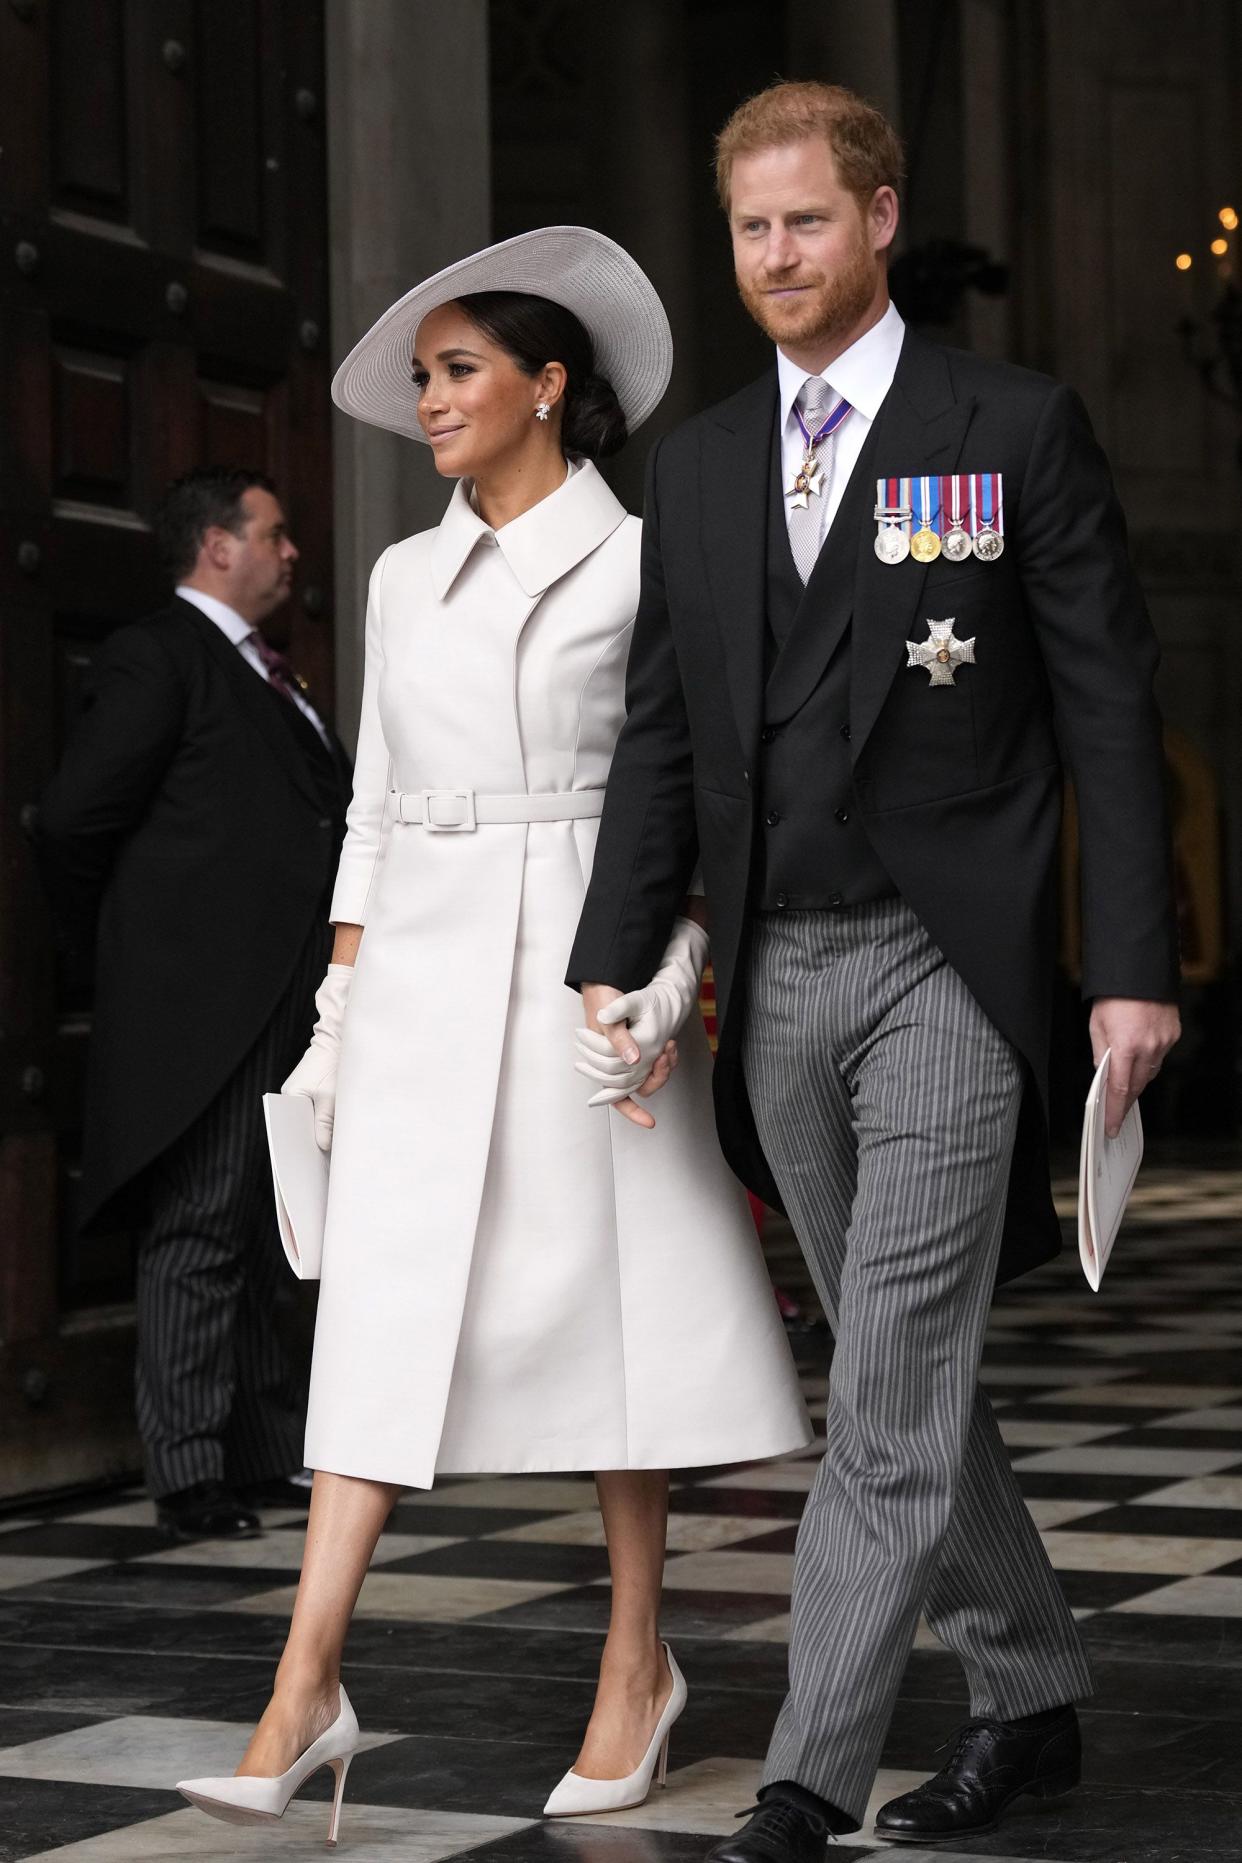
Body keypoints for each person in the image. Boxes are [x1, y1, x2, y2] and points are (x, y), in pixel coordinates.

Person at [568, 83, 1180, 1856]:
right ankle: (1033, 1683)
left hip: (948, 975)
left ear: (881, 218)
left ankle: (802, 1773)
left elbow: (1111, 715)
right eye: (751, 228)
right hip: (772, 987)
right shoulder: (689, 468)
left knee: (882, 1390)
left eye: (807, 222)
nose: (775, 256)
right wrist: (613, 968)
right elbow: (659, 737)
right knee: (908, 1375)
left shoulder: (1012, 424)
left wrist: (1124, 969)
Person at [174, 226, 812, 1843]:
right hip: (419, 980)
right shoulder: (398, 576)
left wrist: (670, 973)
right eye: (421, 376)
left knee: (628, 1327)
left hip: (585, 978)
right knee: (379, 1318)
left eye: (458, 370)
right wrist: (334, 1010)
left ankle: (636, 1661)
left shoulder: (645, 556)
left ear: (548, 383)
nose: (429, 400)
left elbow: (677, 785)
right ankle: (303, 1677)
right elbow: (374, 807)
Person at [36, 469, 351, 1542]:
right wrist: (134, 950)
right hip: (204, 1005)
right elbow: (75, 820)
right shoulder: (157, 654)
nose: (292, 551)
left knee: (272, 1225)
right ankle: (187, 1469)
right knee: (204, 1224)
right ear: (217, 546)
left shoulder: (271, 674)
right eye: (273, 532)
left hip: (289, 997)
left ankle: (261, 1452)